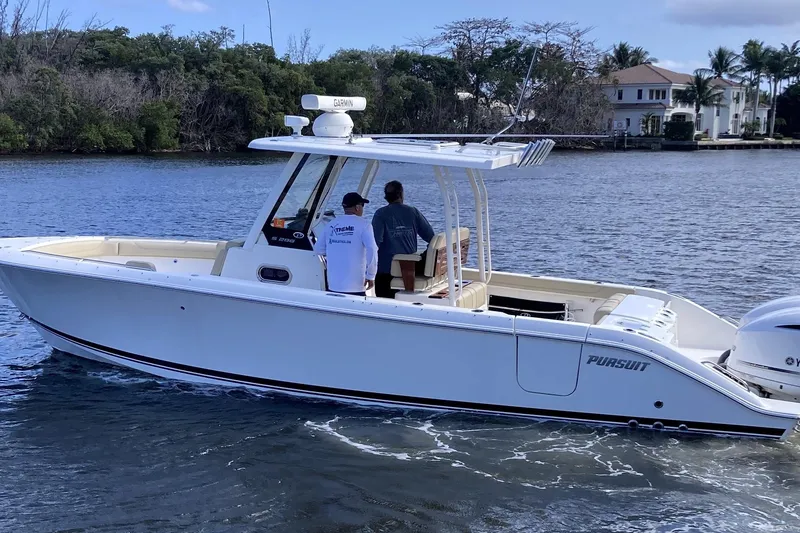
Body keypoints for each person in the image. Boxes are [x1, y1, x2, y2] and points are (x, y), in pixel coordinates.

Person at [371, 180, 435, 298]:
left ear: (386, 197)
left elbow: (375, 243)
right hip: (409, 270)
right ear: (401, 194)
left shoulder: (380, 214)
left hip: (386, 272)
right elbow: (431, 237)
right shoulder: (413, 212)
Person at [314, 192, 378, 296]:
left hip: (333, 285)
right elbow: (372, 250)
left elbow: (318, 249)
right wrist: (371, 275)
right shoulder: (364, 225)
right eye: (362, 205)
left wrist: (337, 248)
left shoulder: (332, 224)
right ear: (357, 207)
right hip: (356, 286)